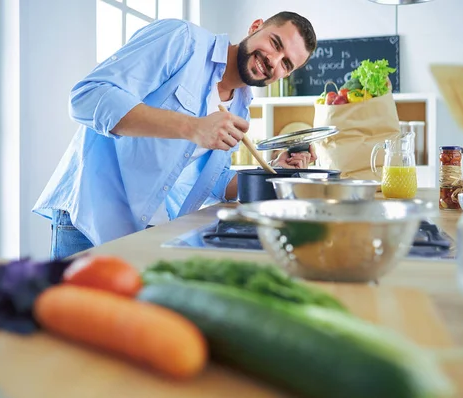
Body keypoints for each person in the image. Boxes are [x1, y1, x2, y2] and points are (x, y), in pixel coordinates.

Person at [33, 11, 318, 260]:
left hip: (146, 232)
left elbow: (212, 181)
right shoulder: (183, 41)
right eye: (275, 43)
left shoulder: (241, 108)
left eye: (286, 64)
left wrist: (275, 172)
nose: (273, 61)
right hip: (88, 222)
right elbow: (87, 97)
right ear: (256, 27)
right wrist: (193, 127)